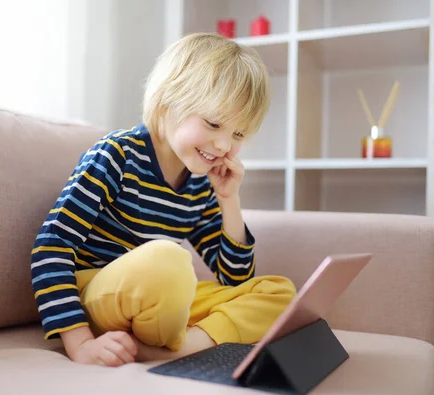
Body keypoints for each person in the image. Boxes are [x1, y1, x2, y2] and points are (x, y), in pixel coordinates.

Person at [30, 32, 296, 367]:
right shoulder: (117, 155)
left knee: (279, 292)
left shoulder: (199, 182)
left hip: (156, 300)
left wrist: (229, 199)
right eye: (214, 123)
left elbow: (235, 280)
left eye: (238, 134)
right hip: (99, 295)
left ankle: (169, 349)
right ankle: (182, 342)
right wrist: (81, 344)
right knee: (169, 260)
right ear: (168, 103)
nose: (224, 146)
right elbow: (51, 247)